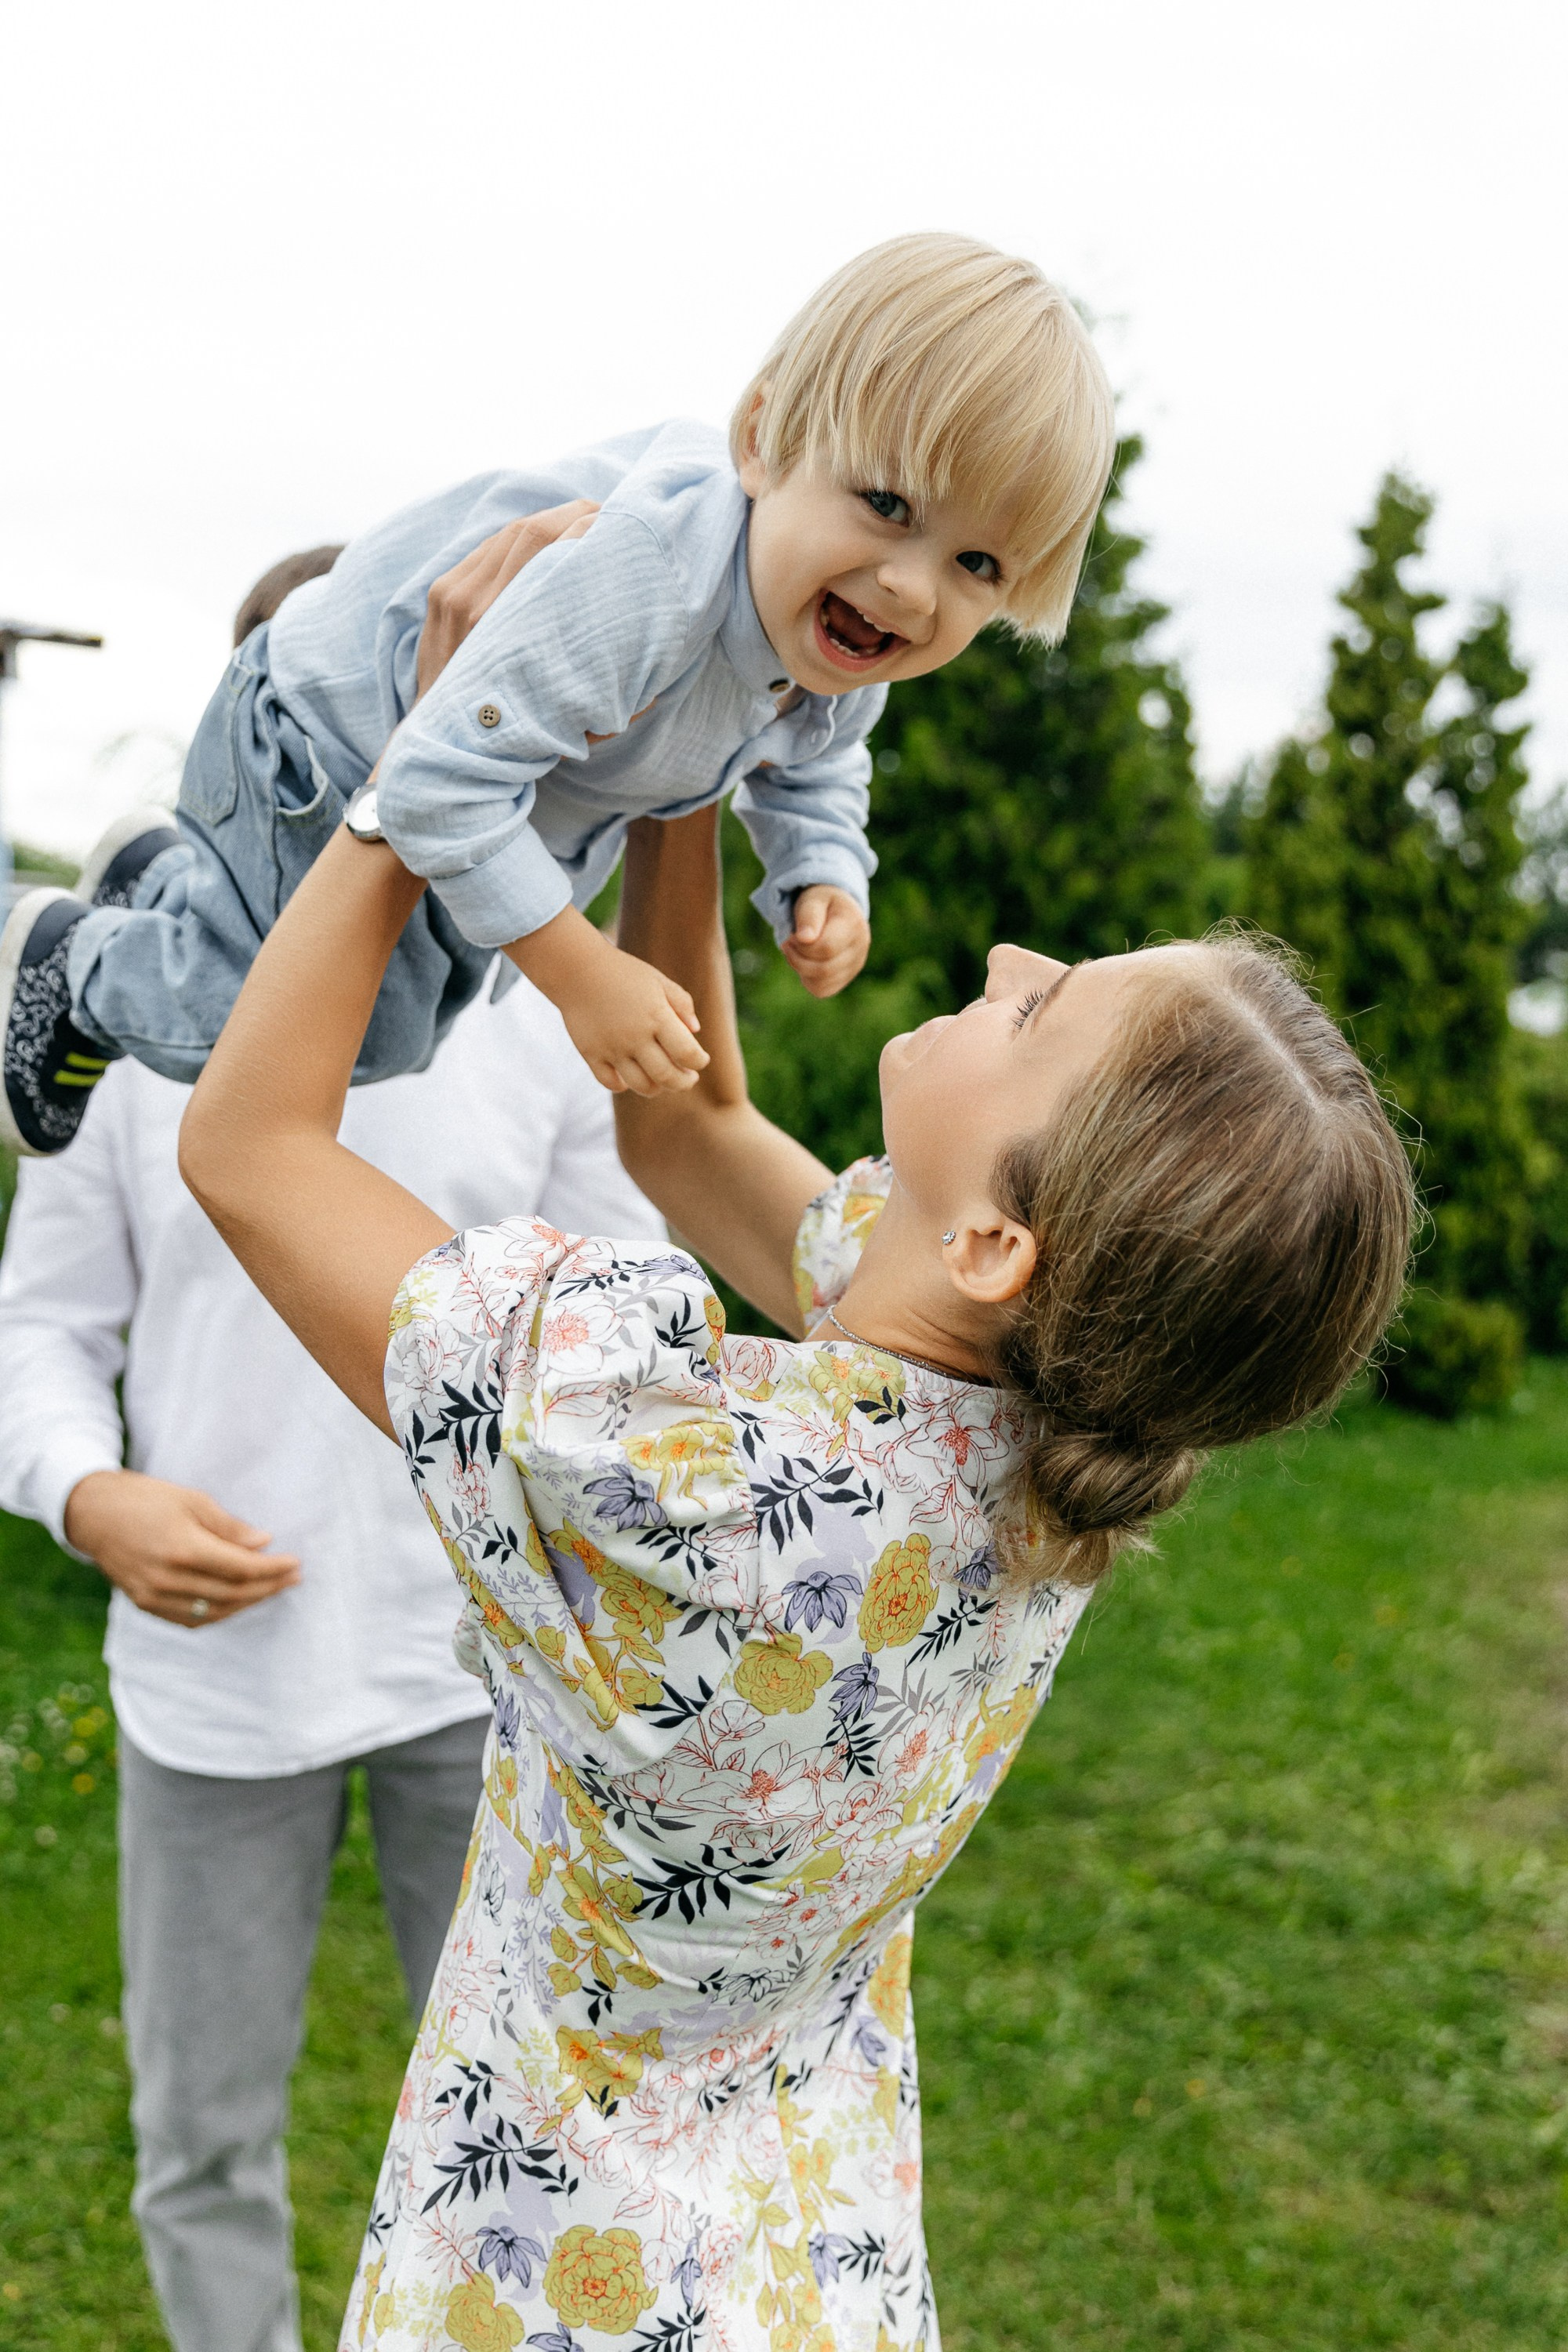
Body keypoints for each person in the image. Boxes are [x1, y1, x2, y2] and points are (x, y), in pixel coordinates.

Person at [175, 776, 1414, 2347]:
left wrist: (429, 780)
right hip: (804, 2259)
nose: (1014, 959)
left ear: (991, 1245)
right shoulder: (1025, 1430)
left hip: (557, 2273)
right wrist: (684, 763)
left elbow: (247, 1142)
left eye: (1042, 1016)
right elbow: (680, 1129)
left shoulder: (681, 1497)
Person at [0, 525, 667, 2352]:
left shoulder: (536, 1003)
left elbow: (643, 1293)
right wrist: (86, 1491)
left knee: (537, 2124)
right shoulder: (137, 1017)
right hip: (207, 1694)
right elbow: (41, 1331)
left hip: (481, 1674)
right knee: (198, 2139)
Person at [0, 232, 1116, 1153]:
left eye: (978, 566)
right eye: (886, 503)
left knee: (406, 1025)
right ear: (764, 440)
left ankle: (161, 889)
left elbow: (821, 755)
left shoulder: (842, 637)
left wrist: (822, 869)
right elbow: (435, 778)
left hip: (455, 786)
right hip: (315, 746)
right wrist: (585, 972)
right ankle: (74, 964)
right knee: (347, 1039)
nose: (913, 590)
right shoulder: (650, 578)